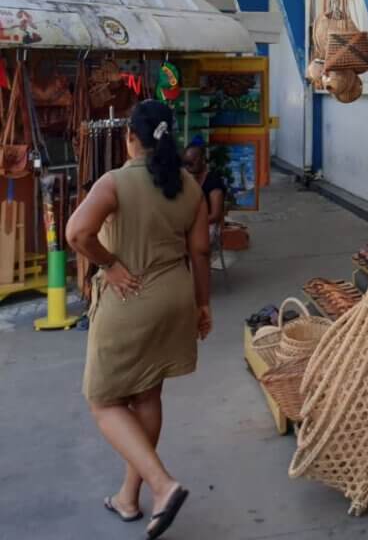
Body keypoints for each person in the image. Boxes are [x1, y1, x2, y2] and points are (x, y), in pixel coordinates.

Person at [66, 100, 210, 539]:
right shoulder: (188, 187)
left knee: (104, 402)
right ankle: (129, 497)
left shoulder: (114, 182)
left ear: (131, 136)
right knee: (147, 397)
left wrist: (107, 263)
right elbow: (201, 251)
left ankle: (162, 485)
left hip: (130, 300)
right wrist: (204, 305)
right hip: (175, 298)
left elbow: (77, 234)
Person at [183, 141, 228, 236]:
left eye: (193, 160)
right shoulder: (187, 180)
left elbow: (216, 215)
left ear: (203, 159)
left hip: (208, 232)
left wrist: (191, 224)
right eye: (187, 161)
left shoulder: (213, 182)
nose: (189, 164)